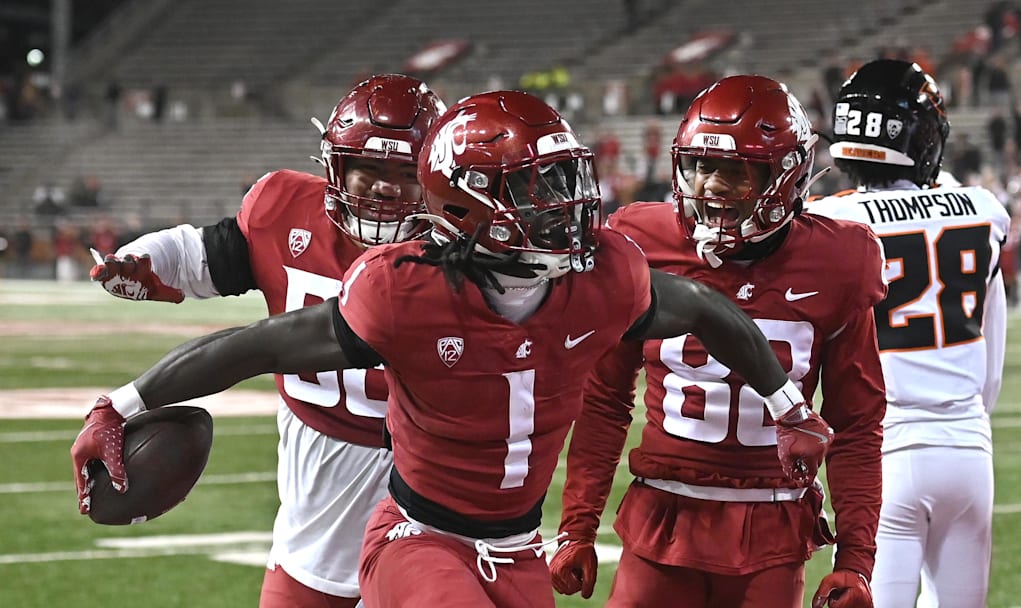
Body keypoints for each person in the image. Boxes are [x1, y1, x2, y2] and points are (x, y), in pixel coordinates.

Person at [71, 90, 832, 608]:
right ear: (472, 206)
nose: (565, 204)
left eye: (563, 180)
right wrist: (122, 404)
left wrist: (789, 406)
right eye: (539, 187)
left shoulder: (603, 278)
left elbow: (707, 310)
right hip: (417, 535)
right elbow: (254, 345)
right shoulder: (404, 290)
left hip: (517, 548)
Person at [84, 74, 446, 608]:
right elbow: (203, 254)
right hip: (313, 496)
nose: (383, 189)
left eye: (403, 174)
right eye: (367, 169)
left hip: (428, 496)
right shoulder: (286, 209)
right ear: (334, 166)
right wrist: (145, 259)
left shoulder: (468, 250)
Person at [549, 76, 886, 608]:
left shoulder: (839, 261)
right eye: (701, 166)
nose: (710, 185)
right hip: (662, 516)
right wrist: (577, 526)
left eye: (735, 171)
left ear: (786, 177)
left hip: (772, 523)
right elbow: (604, 399)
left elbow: (858, 424)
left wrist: (856, 562)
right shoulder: (641, 241)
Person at [812, 59, 1010, 608]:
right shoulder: (983, 210)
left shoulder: (827, 223)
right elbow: (992, 361)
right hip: (969, 447)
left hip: (884, 452)